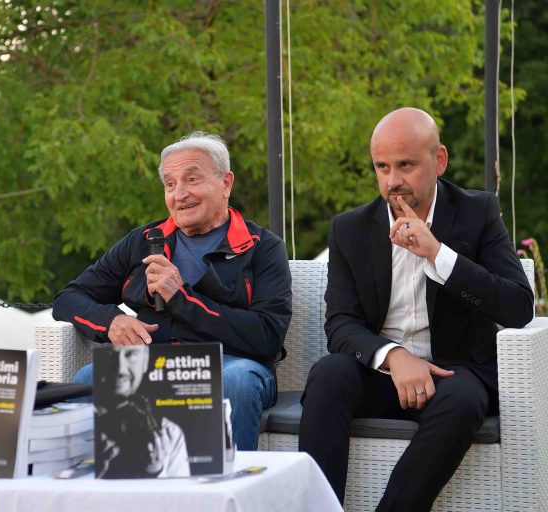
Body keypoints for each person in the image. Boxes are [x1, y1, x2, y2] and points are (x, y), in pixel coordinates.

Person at [298, 107, 534, 511]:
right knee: (328, 373)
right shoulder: (350, 229)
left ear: (439, 160)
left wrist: (439, 254)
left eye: (406, 165)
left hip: (454, 373)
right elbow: (340, 324)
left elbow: (518, 306)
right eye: (382, 167)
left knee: (464, 401)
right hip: (381, 373)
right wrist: (394, 357)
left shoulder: (478, 212)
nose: (393, 180)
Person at [53, 132, 293, 451]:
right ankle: (107, 482)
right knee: (88, 378)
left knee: (236, 381)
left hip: (230, 364)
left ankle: (226, 482)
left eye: (192, 179)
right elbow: (68, 298)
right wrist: (111, 322)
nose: (180, 194)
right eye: (170, 184)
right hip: (154, 364)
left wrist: (182, 298)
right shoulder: (144, 240)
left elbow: (268, 336)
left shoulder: (262, 247)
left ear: (226, 183)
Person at [94, 345, 189, 478]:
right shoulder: (83, 424)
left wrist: (156, 471)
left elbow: (182, 489)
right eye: (110, 355)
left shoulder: (170, 434)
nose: (120, 369)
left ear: (145, 359)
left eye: (131, 354)